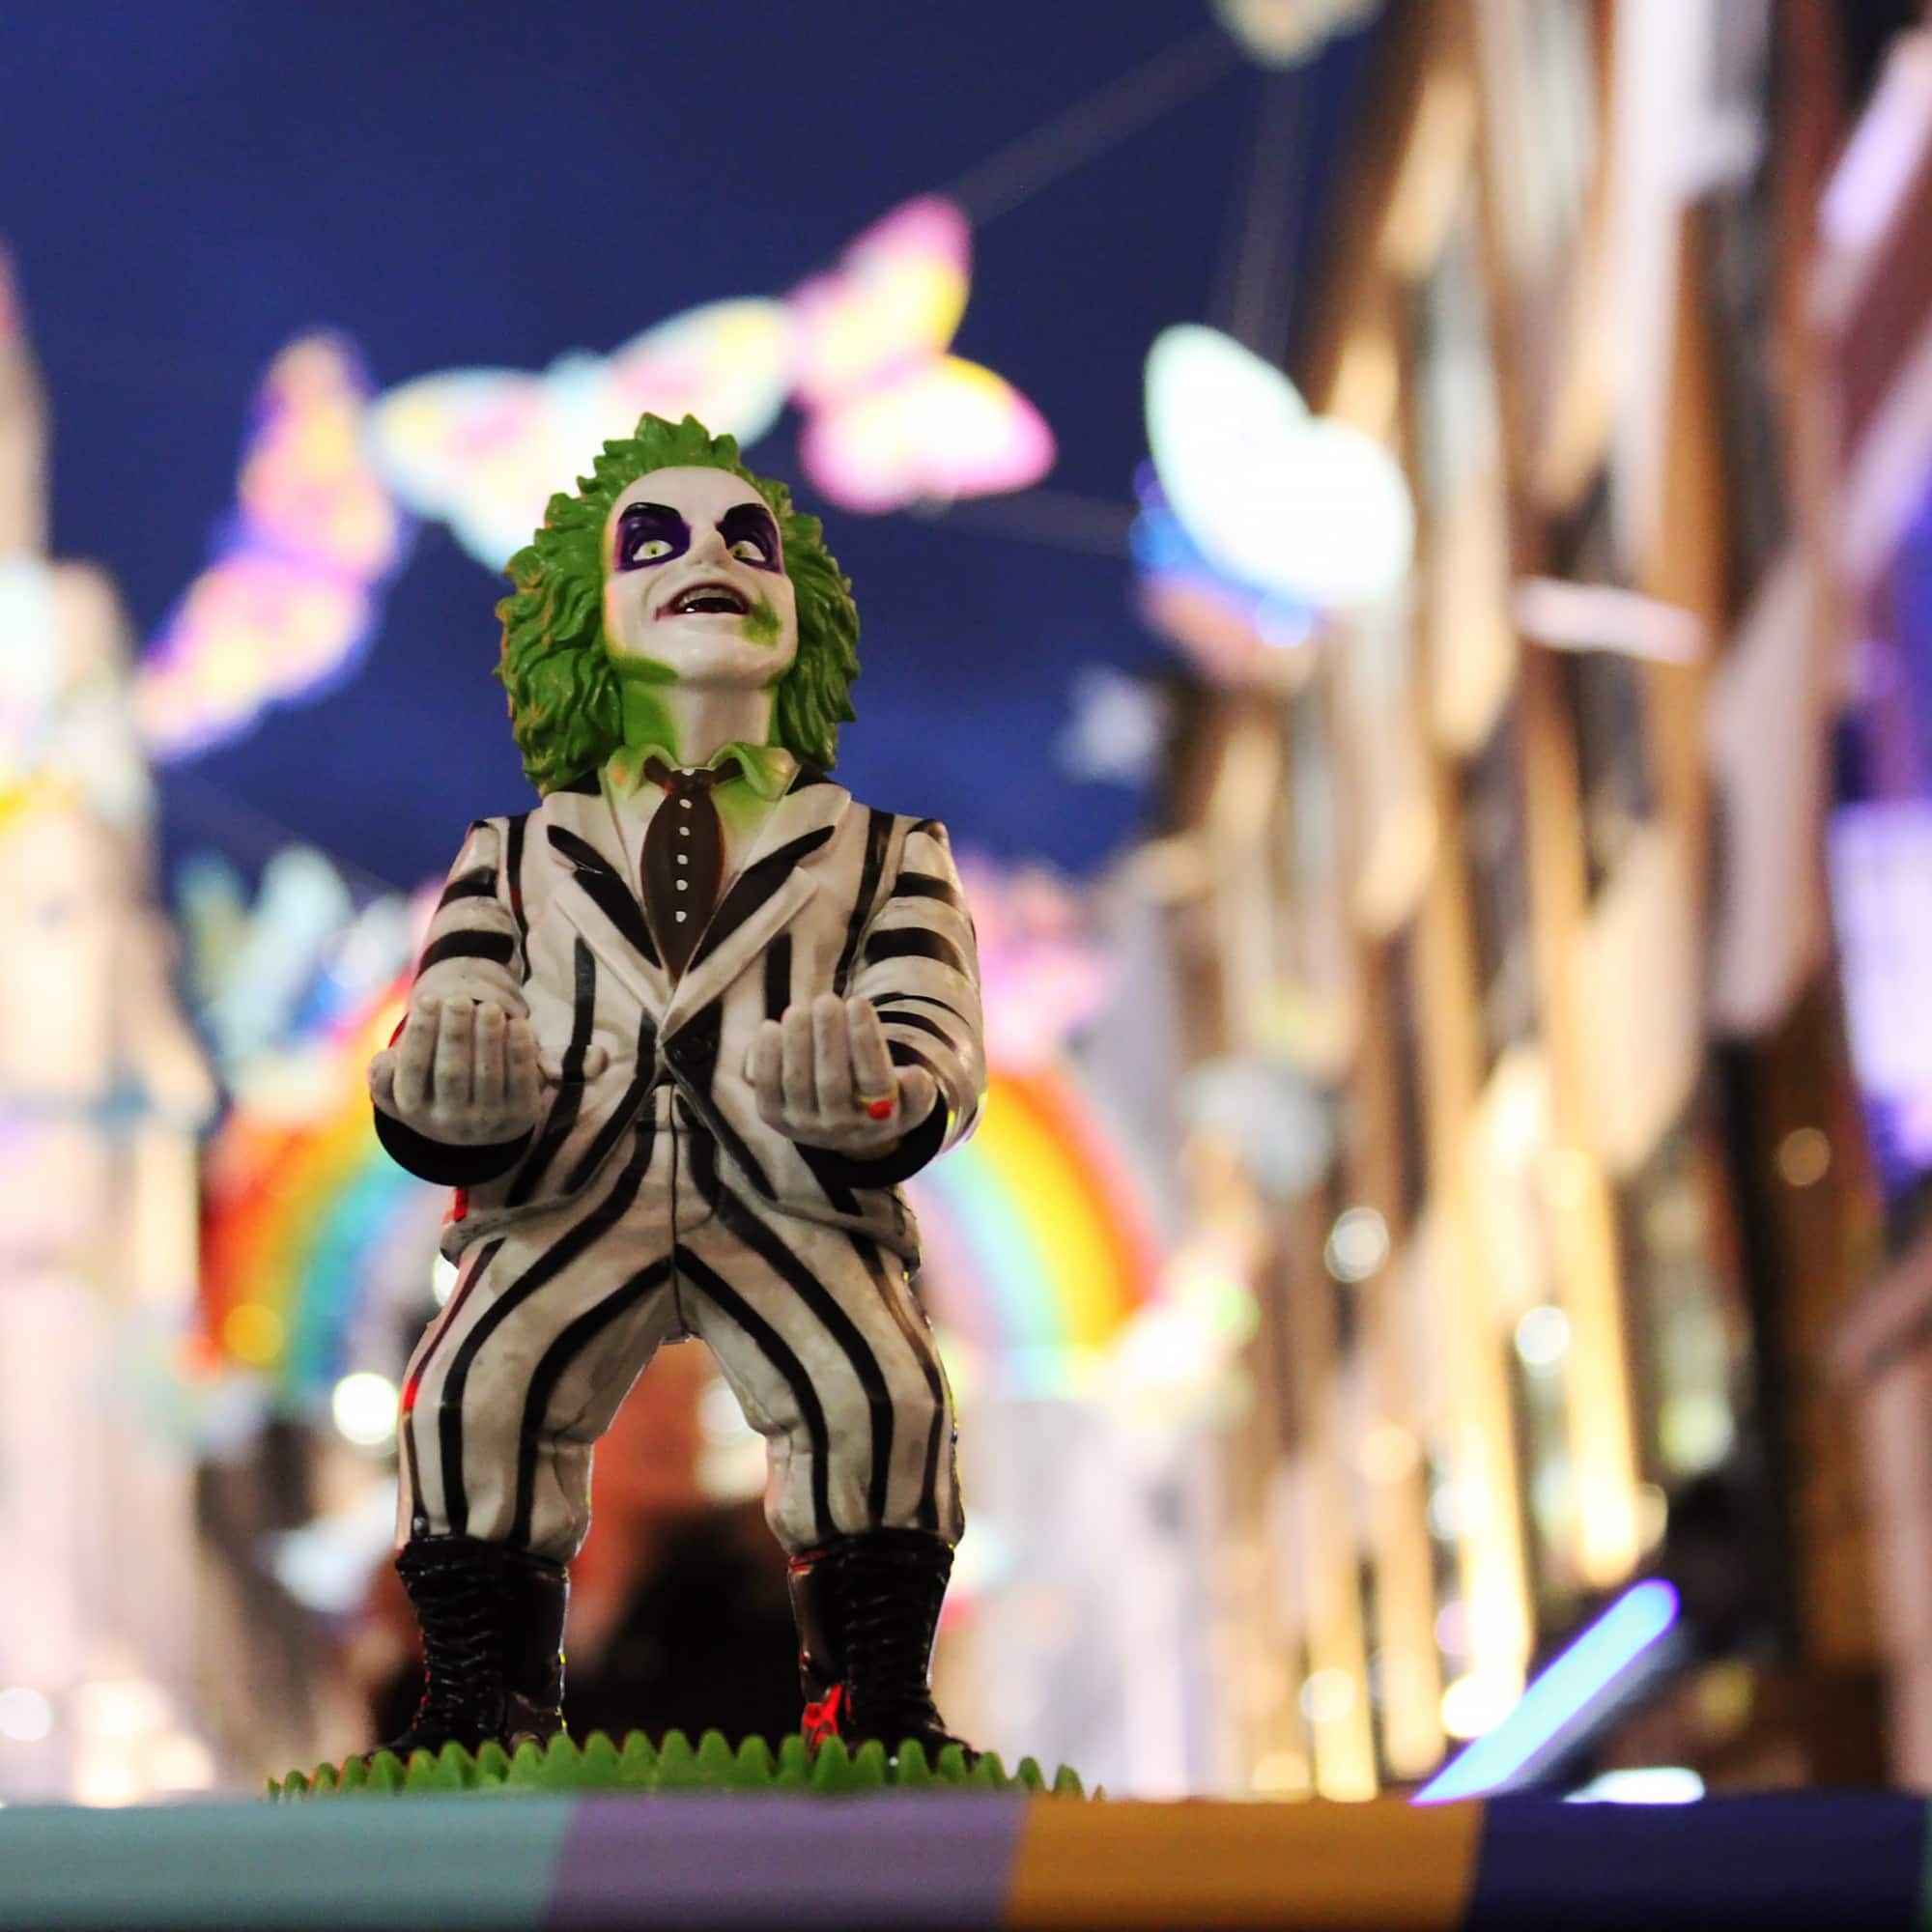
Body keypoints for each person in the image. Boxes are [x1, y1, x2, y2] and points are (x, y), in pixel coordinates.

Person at [366, 412, 984, 1761]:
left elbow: (932, 1023)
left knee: (881, 1393)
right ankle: (482, 1701)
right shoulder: (509, 856)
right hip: (570, 1185)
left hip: (792, 1191)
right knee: (472, 1390)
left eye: (746, 540)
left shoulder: (887, 853)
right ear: (582, 618)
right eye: (654, 541)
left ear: (801, 609)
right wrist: (453, 1099)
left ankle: (873, 1703)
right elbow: (447, 1019)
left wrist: (881, 1100)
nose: (709, 559)